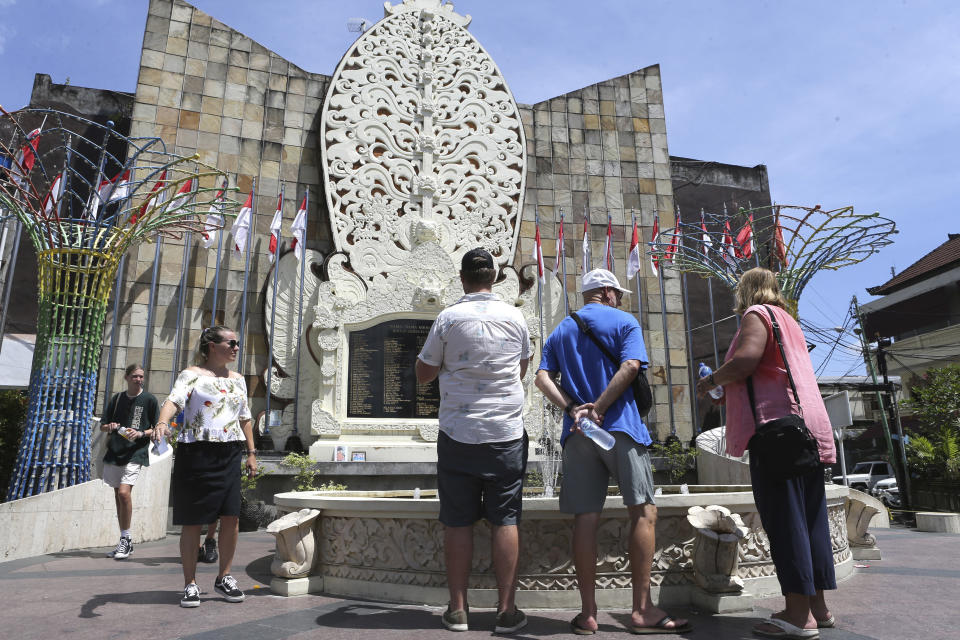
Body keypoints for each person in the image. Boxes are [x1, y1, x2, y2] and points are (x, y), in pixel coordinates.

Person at [535, 269, 691, 635]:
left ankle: (588, 613)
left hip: (578, 434)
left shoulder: (560, 330)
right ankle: (642, 611)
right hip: (619, 426)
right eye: (617, 293)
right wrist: (600, 405)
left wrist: (574, 408)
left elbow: (542, 377)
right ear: (606, 292)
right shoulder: (624, 322)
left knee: (585, 519)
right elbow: (631, 366)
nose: (619, 299)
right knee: (643, 511)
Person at [696, 268, 837, 639]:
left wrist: (711, 381)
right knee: (810, 523)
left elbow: (746, 361)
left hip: (775, 435)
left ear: (746, 291)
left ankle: (797, 617)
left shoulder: (756, 316)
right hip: (806, 429)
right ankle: (817, 608)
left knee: (786, 524)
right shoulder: (788, 320)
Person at [415, 248, 531, 634]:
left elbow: (423, 375)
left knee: (458, 522)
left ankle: (458, 608)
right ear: (495, 278)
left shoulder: (448, 318)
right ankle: (506, 610)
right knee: (506, 518)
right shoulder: (515, 316)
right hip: (505, 434)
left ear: (462, 279)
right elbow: (522, 368)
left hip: (459, 434)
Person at [153, 325, 257, 608]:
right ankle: (190, 583)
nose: (236, 348)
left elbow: (244, 418)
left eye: (238, 343)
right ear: (212, 345)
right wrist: (162, 422)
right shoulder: (192, 375)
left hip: (229, 453)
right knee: (193, 520)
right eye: (231, 343)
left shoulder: (238, 379)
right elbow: (173, 401)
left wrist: (251, 453)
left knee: (231, 517)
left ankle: (224, 577)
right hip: (196, 452)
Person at [100, 364, 159, 560]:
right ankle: (124, 539)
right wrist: (111, 427)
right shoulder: (117, 399)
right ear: (126, 378)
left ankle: (126, 539)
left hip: (136, 451)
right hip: (116, 450)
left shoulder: (149, 399)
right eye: (135, 376)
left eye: (141, 376)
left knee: (124, 494)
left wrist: (142, 432)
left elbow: (158, 427)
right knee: (118, 496)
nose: (139, 379)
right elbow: (103, 426)